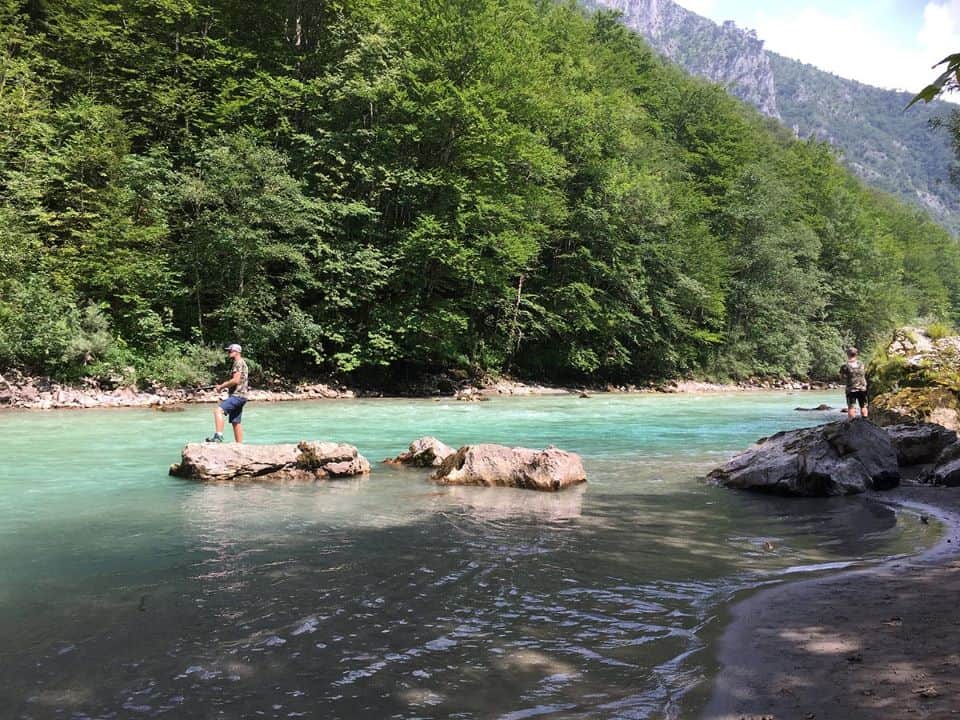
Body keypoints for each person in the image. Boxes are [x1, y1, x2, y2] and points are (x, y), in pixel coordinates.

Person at [206, 343, 249, 443]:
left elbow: (236, 380)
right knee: (235, 422)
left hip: (237, 396)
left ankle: (218, 437)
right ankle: (239, 445)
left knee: (218, 411)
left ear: (237, 352)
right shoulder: (242, 363)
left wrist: (221, 386)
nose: (228, 352)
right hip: (243, 396)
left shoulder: (238, 362)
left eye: (230, 351)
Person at [839, 346, 868, 420]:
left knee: (851, 406)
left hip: (851, 389)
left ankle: (852, 422)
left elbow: (841, 378)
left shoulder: (845, 366)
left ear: (847, 354)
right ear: (856, 354)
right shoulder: (861, 364)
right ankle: (865, 420)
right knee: (863, 406)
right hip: (862, 388)